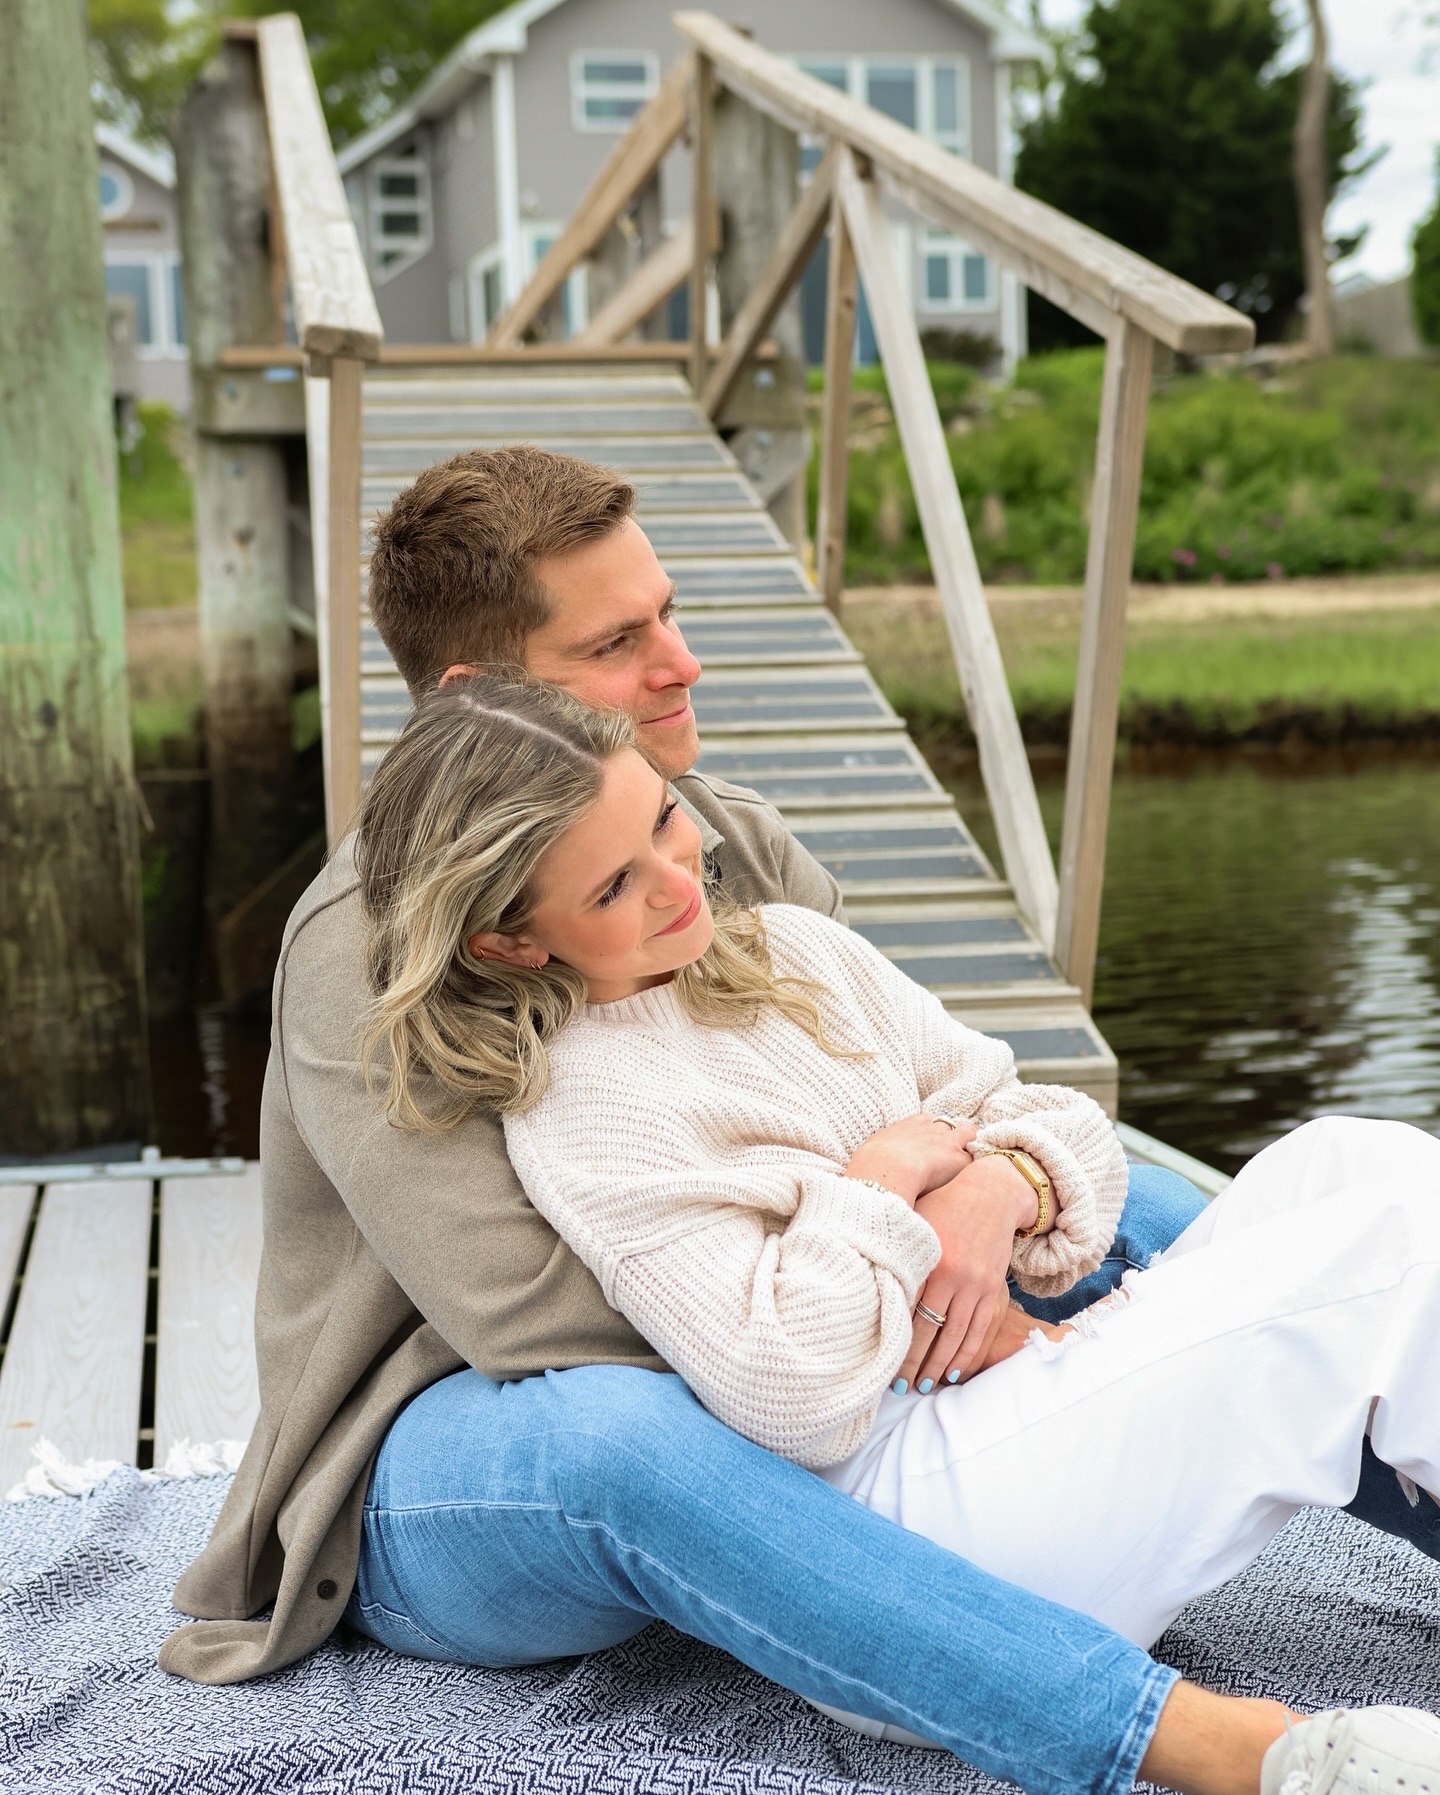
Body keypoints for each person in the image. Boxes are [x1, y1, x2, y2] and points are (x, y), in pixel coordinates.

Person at [158, 447, 1431, 1795]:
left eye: (669, 612)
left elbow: (916, 1086)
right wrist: (913, 1294)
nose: (681, 664)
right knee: (618, 1435)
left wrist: (995, 1190)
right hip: (450, 1449)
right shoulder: (368, 948)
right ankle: (1197, 1739)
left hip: (797, 1318)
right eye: (617, 641)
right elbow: (525, 1319)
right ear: (483, 702)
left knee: (1198, 1221)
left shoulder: (719, 840)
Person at [356, 670, 1440, 1794]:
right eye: (615, 886)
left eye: (666, 821)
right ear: (514, 944)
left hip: (1024, 1399)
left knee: (1361, 1163)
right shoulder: (583, 1104)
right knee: (1386, 1253)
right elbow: (792, 1390)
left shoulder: (793, 952)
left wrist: (999, 1186)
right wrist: (879, 1181)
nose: (679, 880)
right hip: (915, 1512)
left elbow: (1059, 1120)